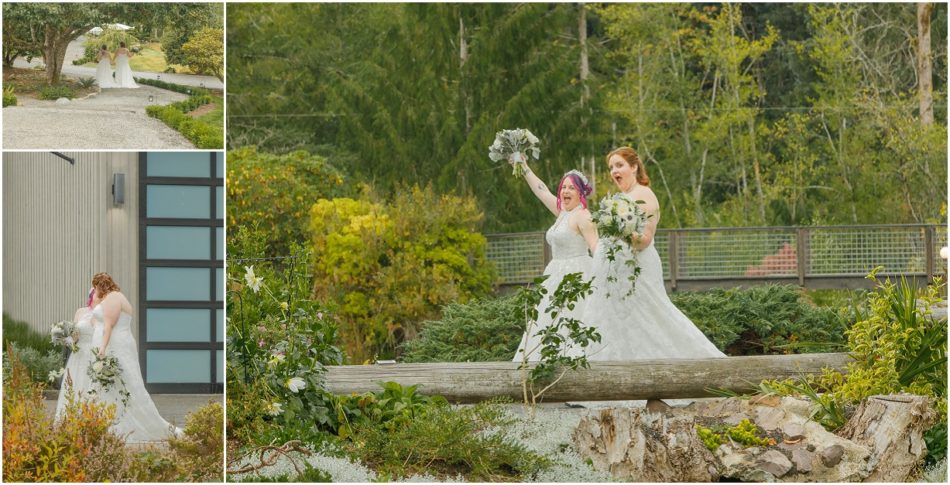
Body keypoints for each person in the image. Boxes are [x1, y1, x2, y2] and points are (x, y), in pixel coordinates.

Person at [581, 147, 725, 361]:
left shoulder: (645, 195)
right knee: (621, 321)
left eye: (619, 165)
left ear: (634, 167)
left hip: (637, 269)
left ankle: (694, 364)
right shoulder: (620, 198)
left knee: (652, 316)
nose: (614, 171)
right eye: (611, 167)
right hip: (616, 271)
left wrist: (622, 231)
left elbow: (645, 240)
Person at [54, 273, 180, 442]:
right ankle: (101, 425)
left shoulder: (113, 298)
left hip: (113, 347)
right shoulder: (107, 300)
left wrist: (102, 349)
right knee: (106, 388)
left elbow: (108, 325)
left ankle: (117, 427)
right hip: (105, 348)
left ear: (101, 286)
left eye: (95, 288)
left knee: (119, 386)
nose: (94, 293)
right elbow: (93, 327)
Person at [512, 165, 598, 362]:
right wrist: (523, 166)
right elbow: (541, 191)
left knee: (570, 321)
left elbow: (596, 247)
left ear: (581, 193)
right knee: (546, 321)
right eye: (563, 187)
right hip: (555, 274)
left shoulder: (583, 216)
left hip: (576, 276)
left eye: (571, 188)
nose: (565, 191)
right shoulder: (563, 212)